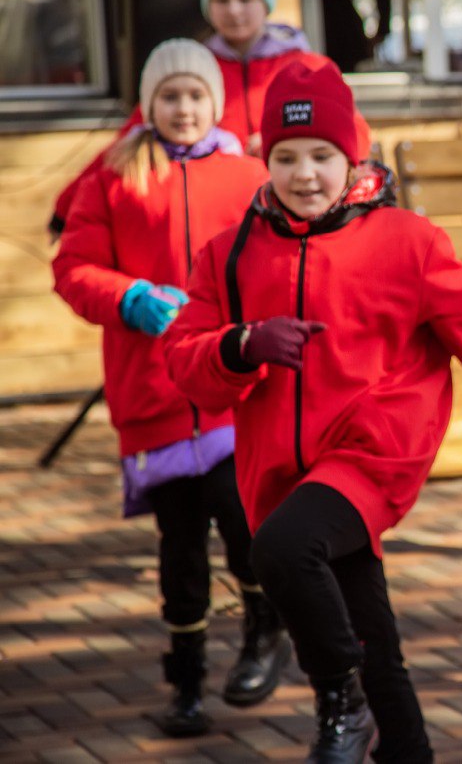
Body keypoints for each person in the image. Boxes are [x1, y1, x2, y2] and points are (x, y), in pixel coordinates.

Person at [164, 59, 462, 763]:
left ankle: (340, 704)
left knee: (278, 550)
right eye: (286, 157)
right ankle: (401, 744)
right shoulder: (231, 255)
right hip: (280, 474)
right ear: (265, 162)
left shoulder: (407, 242)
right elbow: (186, 365)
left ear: (352, 156)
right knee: (373, 641)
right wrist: (240, 345)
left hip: (373, 450)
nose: (305, 174)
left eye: (322, 156)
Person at [51, 39, 286, 738]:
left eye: (195, 95)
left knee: (243, 521)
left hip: (230, 387)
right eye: (169, 96)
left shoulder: (249, 175)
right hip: (152, 396)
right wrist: (125, 297)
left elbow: (281, 258)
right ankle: (185, 680)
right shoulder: (115, 174)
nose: (183, 109)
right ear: (148, 105)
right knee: (180, 545)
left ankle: (261, 633)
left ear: (214, 102)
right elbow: (74, 266)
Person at [48, 0, 370, 239]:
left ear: (265, 3)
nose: (233, 9)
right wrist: (65, 207)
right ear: (208, 6)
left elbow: (353, 133)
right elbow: (130, 138)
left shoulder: (306, 66)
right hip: (228, 221)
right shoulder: (194, 70)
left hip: (300, 212)